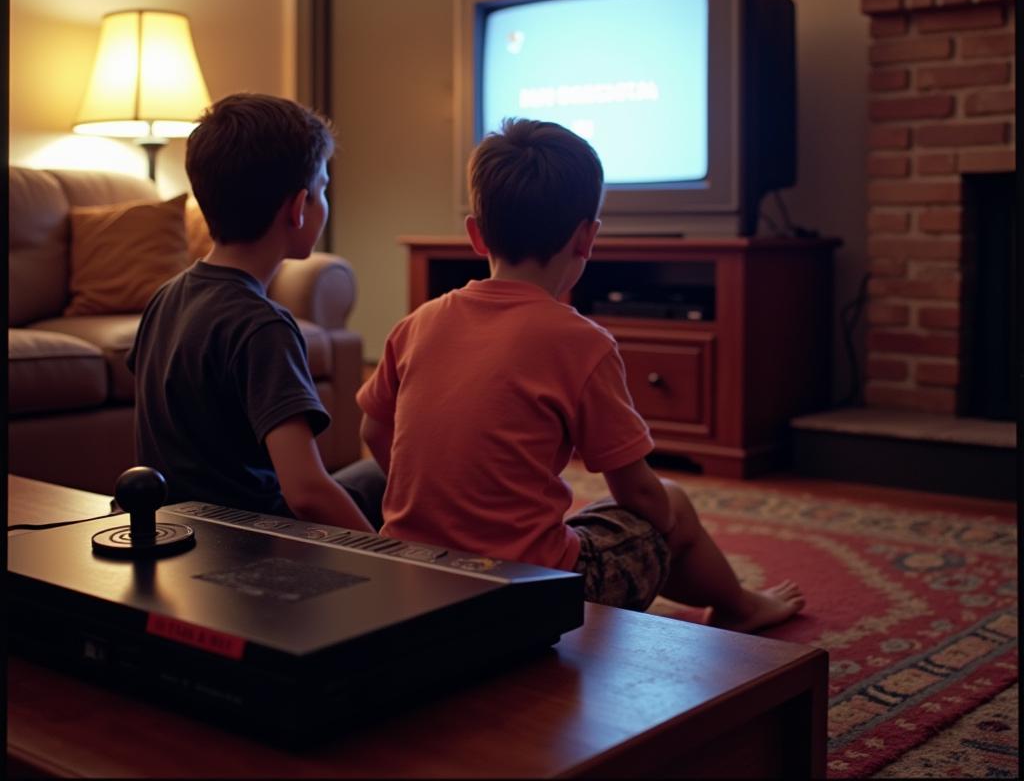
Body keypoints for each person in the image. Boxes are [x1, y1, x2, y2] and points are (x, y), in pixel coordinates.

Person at [357, 118, 803, 630]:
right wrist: (665, 535)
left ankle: (726, 600)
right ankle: (738, 606)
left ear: (476, 234)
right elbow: (634, 491)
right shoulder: (581, 342)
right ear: (587, 238)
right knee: (670, 502)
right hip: (527, 591)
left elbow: (374, 429)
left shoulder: (419, 321)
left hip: (415, 577)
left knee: (586, 522)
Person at [128, 92, 385, 531]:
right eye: (322, 190)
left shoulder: (165, 297)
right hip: (252, 542)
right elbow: (306, 492)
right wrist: (389, 559)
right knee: (384, 474)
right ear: (297, 209)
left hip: (180, 533)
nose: (324, 201)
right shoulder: (262, 326)